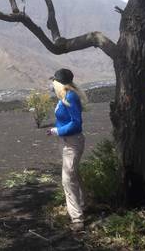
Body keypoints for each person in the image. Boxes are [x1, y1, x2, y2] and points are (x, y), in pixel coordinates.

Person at [46, 68, 88, 232]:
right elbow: (65, 120)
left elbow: (76, 123)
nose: (51, 84)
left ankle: (77, 218)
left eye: (53, 81)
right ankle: (84, 203)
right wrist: (56, 130)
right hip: (65, 142)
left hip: (72, 143)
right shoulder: (63, 97)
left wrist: (58, 131)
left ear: (59, 83)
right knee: (73, 174)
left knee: (67, 178)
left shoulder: (70, 97)